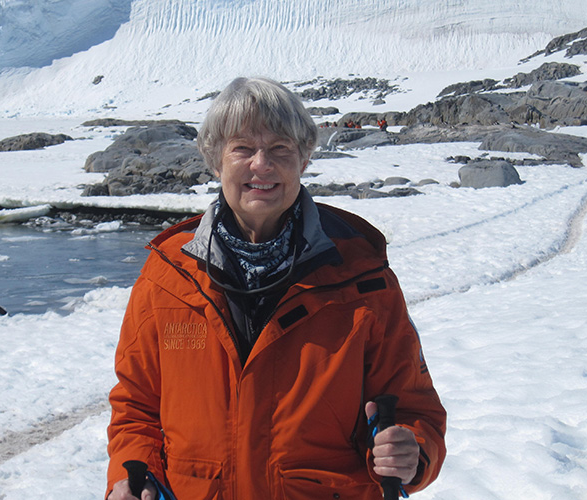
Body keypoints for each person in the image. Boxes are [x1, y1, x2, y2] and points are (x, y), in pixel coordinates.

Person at [106, 76, 446, 500]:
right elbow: (135, 407)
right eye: (243, 148)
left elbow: (414, 409)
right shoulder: (168, 275)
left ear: (303, 160)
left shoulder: (363, 276)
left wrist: (413, 452)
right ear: (216, 160)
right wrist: (129, 476)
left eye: (280, 149)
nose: (261, 164)